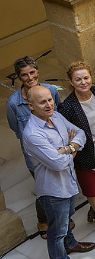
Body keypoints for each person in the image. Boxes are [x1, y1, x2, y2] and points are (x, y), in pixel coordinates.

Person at [22, 86, 93, 259]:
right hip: (53, 190)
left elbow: (80, 133)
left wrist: (66, 148)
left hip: (68, 182)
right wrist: (71, 149)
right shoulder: (32, 133)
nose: (49, 105)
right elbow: (58, 164)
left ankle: (70, 244)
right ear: (31, 106)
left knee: (67, 218)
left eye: (50, 100)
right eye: (42, 102)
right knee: (57, 230)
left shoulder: (55, 116)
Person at [58, 62, 95, 238]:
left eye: (86, 78)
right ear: (71, 82)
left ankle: (94, 210)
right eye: (78, 79)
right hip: (87, 153)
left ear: (91, 78)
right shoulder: (68, 106)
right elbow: (66, 131)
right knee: (92, 190)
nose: (83, 82)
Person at [6, 56, 62, 238]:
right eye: (24, 75)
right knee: (44, 189)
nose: (30, 77)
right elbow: (16, 128)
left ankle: (61, 218)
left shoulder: (51, 90)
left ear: (38, 72)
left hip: (57, 149)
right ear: (18, 77)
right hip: (35, 157)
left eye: (32, 72)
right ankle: (43, 220)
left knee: (59, 185)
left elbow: (59, 113)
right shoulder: (13, 103)